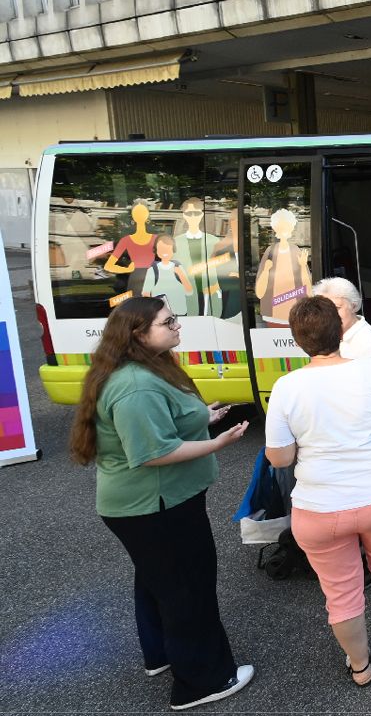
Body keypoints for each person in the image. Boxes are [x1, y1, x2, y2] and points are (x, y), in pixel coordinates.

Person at [68, 296, 255, 711]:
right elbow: (150, 452)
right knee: (187, 588)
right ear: (138, 333)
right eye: (168, 322)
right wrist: (216, 443)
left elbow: (157, 425)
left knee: (159, 580)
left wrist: (200, 419)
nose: (177, 327)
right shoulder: (134, 385)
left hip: (151, 506)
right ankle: (203, 680)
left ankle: (162, 655)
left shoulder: (142, 369)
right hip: (156, 505)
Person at [263, 296, 371, 688]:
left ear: (298, 340)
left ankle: (360, 666)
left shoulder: (286, 386)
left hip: (319, 506)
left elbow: (279, 459)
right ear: (341, 329)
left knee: (341, 591)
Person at [311, 276, 371, 366]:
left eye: (337, 308)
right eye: (324, 309)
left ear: (354, 306)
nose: (330, 314)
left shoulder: (367, 342)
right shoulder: (330, 332)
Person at [254, 208, 311, 326]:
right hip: (272, 315)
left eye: (287, 227)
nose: (284, 230)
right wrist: (265, 270)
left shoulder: (296, 250)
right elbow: (260, 292)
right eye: (281, 227)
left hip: (296, 315)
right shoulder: (270, 251)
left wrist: (302, 266)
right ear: (276, 229)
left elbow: (308, 291)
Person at [173, 197, 223, 317]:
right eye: (189, 213)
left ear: (201, 215)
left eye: (196, 213)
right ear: (184, 216)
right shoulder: (176, 242)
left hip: (210, 292)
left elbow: (222, 269)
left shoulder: (214, 241)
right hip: (185, 293)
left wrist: (216, 287)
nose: (193, 217)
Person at [104, 200, 157, 295]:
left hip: (154, 281)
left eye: (143, 212)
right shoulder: (126, 240)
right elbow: (109, 266)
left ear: (148, 216)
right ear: (132, 217)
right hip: (133, 282)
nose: (140, 215)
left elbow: (169, 261)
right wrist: (127, 269)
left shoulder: (156, 240)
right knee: (136, 307)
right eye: (137, 212)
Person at [142, 236, 195, 315]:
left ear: (173, 250)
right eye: (161, 249)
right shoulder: (153, 270)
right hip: (160, 315)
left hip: (180, 313)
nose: (164, 252)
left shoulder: (179, 267)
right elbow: (146, 293)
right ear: (156, 251)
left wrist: (180, 274)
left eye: (168, 249)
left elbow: (189, 291)